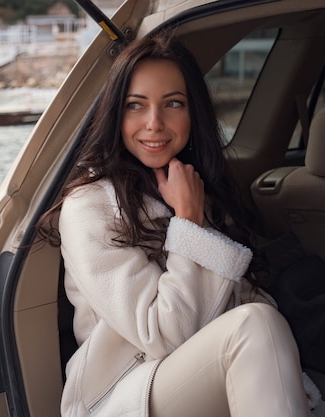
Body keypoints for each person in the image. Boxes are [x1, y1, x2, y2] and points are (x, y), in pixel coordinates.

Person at [37, 33, 320, 417]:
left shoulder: (193, 184)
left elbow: (236, 299)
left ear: (193, 113)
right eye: (135, 106)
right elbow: (164, 336)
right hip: (127, 391)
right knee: (258, 325)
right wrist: (189, 222)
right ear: (115, 115)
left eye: (173, 103)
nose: (154, 123)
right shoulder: (90, 205)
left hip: (197, 372)